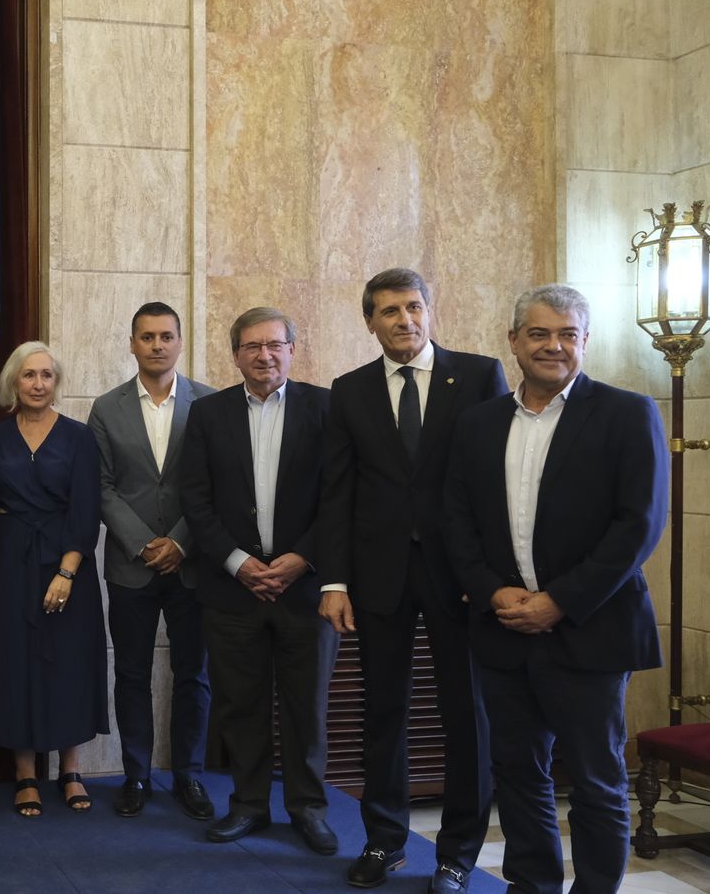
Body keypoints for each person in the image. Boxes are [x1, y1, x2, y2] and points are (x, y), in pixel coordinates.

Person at [443, 284, 667, 894]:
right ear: (514, 341)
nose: (554, 346)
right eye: (539, 333)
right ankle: (531, 886)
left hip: (591, 630)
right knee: (518, 773)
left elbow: (639, 526)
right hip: (503, 629)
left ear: (585, 341)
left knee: (596, 781)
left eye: (568, 334)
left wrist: (559, 602)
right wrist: (491, 592)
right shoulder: (478, 424)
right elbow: (456, 520)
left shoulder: (627, 413)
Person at [317, 268, 506, 892]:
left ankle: (458, 855)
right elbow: (338, 492)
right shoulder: (348, 390)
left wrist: (487, 574)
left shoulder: (478, 376)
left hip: (460, 576)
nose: (405, 320)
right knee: (383, 712)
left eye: (414, 307)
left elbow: (494, 483)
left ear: (429, 310)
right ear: (369, 322)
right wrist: (334, 582)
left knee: (466, 714)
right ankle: (384, 841)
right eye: (391, 311)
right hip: (379, 576)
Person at [177, 307, 338, 854]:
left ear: (293, 350)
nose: (264, 355)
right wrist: (237, 562)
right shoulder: (208, 413)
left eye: (274, 345)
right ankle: (248, 804)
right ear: (235, 355)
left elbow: (340, 496)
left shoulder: (326, 408)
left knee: (306, 707)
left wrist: (303, 558)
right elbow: (195, 499)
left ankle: (308, 808)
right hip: (232, 590)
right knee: (240, 705)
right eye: (252, 346)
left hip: (305, 589)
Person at [87, 301, 216, 821]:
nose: (157, 345)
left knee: (194, 675)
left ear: (180, 342)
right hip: (130, 566)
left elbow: (216, 485)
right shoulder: (106, 408)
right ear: (132, 344)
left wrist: (181, 541)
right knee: (132, 674)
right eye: (147, 337)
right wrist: (144, 543)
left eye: (166, 336)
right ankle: (136, 775)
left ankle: (189, 775)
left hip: (193, 564)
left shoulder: (209, 403)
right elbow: (101, 486)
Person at [0, 341, 107, 816]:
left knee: (67, 663)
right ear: (13, 381)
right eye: (29, 375)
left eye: (47, 375)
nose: (38, 383)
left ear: (57, 382)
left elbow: (86, 509)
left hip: (67, 562)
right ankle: (25, 774)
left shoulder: (79, 437)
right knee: (15, 663)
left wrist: (66, 571)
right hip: (9, 563)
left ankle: (70, 770)